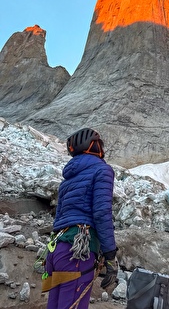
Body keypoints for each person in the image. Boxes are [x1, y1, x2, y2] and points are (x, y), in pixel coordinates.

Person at [43, 127, 118, 309]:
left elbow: (59, 217)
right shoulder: (102, 170)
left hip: (58, 250)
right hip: (78, 251)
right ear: (94, 146)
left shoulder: (68, 179)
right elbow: (101, 213)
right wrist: (110, 255)